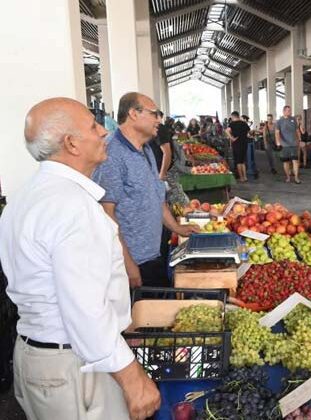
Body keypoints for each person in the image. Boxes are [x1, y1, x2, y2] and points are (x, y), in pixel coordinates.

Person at [0, 97, 160, 420]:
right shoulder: (71, 206)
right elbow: (85, 309)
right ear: (71, 143)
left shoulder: (27, 196)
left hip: (39, 356)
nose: (103, 131)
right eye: (92, 126)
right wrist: (131, 376)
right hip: (74, 364)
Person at [94, 92, 198, 288]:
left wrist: (176, 228)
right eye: (154, 114)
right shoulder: (112, 154)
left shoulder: (146, 149)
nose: (159, 120)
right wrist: (128, 263)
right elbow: (106, 215)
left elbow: (156, 197)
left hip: (153, 252)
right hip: (133, 260)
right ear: (134, 113)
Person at [275, 105, 301, 183]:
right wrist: (278, 143)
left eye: (290, 110)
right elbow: (277, 133)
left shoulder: (293, 120)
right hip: (284, 145)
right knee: (286, 162)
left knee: (295, 161)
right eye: (288, 110)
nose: (290, 112)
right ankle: (288, 177)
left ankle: (296, 178)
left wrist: (300, 139)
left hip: (294, 144)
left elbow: (297, 130)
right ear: (284, 111)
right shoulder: (279, 121)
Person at [226, 111, 249, 183]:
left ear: (233, 117)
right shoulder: (244, 123)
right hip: (244, 143)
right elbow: (248, 132)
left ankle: (241, 177)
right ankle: (245, 177)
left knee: (238, 162)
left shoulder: (232, 124)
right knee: (243, 161)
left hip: (236, 144)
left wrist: (232, 138)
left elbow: (226, 131)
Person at [151, 112, 173, 180]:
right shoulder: (150, 128)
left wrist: (162, 174)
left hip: (159, 168)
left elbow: (167, 153)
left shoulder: (159, 129)